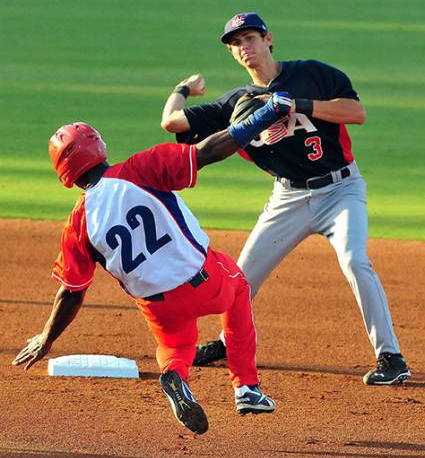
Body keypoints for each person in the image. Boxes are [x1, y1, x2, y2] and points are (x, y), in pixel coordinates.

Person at [12, 94, 290, 434]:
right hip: (203, 282)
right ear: (98, 147)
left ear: (65, 174)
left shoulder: (78, 223)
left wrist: (47, 337)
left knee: (175, 346)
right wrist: (267, 113)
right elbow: (210, 151)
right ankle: (247, 388)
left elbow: (71, 292)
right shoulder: (140, 168)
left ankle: (175, 375)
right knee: (239, 288)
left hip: (157, 307)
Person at [161, 12, 411, 386]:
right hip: (288, 198)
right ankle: (229, 343)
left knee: (356, 261)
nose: (244, 47)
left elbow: (356, 113)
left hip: (341, 190)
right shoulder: (236, 102)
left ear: (268, 39)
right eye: (236, 43)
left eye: (250, 38)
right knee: (241, 279)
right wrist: (183, 87)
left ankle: (391, 357)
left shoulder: (312, 73)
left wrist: (300, 105)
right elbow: (172, 123)